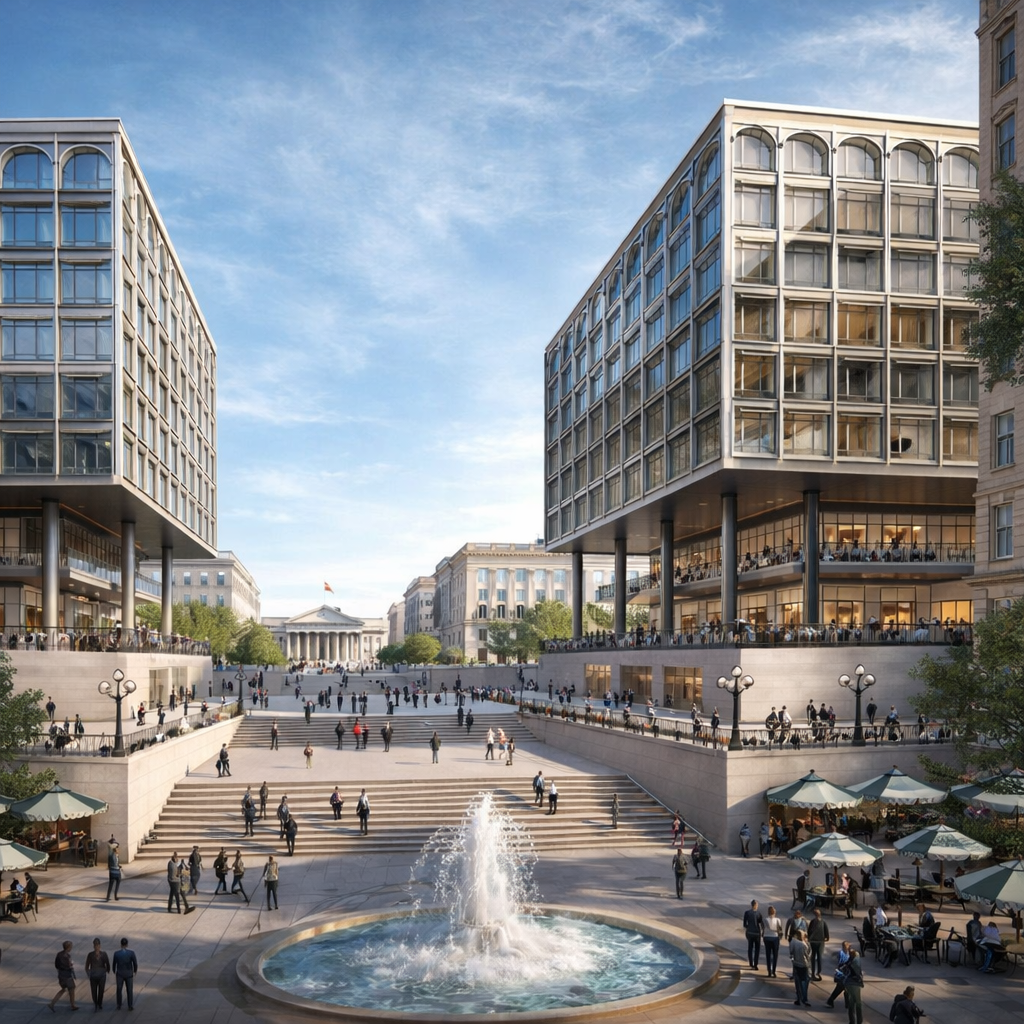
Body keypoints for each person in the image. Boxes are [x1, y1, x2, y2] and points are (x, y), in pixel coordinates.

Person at [49, 940, 79, 1012]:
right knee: (72, 989)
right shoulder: (67, 956)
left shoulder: (59, 954)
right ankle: (72, 1005)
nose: (71, 948)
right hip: (67, 976)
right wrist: (71, 966)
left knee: (63, 989)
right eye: (71, 947)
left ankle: (52, 1003)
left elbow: (56, 965)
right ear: (68, 947)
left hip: (61, 975)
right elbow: (69, 966)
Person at [111, 937, 138, 1012]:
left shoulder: (116, 954)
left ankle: (119, 1005)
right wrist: (135, 970)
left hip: (120, 974)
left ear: (121, 944)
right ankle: (130, 1005)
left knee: (119, 989)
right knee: (129, 990)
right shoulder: (131, 953)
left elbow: (114, 964)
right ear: (127, 944)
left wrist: (114, 970)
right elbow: (135, 963)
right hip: (129, 974)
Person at [825, 939, 853, 1008]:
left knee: (843, 988)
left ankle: (847, 1003)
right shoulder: (843, 953)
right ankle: (831, 1000)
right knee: (841, 988)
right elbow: (841, 963)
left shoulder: (846, 953)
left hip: (844, 973)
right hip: (843, 974)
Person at [84, 937, 110, 1011]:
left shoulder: (103, 954)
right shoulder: (90, 955)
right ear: (93, 946)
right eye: (95, 945)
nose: (97, 947)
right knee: (94, 990)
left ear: (100, 946)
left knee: (101, 990)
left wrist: (107, 970)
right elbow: (87, 965)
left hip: (102, 975)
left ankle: (100, 1003)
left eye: (98, 945)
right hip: (93, 975)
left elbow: (107, 963)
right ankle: (95, 1003)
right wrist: (89, 973)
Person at [789, 927, 812, 1006]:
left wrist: (793, 960)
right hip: (804, 965)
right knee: (804, 982)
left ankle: (798, 998)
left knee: (797, 982)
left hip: (796, 964)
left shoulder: (793, 942)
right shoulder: (804, 945)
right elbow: (807, 955)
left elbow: (791, 952)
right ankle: (804, 999)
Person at [807, 907, 830, 980]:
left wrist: (808, 938)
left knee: (813, 957)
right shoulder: (823, 922)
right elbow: (826, 931)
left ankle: (814, 972)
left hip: (814, 941)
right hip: (820, 942)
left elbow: (809, 931)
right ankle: (818, 972)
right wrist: (827, 937)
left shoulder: (813, 922)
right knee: (819, 957)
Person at [742, 899, 765, 969]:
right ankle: (755, 964)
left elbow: (744, 924)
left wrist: (748, 927)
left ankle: (751, 962)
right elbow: (761, 923)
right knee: (757, 949)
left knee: (750, 948)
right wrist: (763, 931)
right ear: (755, 905)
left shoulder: (747, 913)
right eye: (757, 905)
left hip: (749, 932)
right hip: (757, 933)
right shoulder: (758, 913)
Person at [763, 904, 784, 978]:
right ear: (774, 912)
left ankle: (769, 971)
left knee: (768, 955)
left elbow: (763, 928)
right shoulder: (778, 920)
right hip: (775, 937)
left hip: (767, 937)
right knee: (775, 955)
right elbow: (780, 929)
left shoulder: (765, 920)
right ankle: (774, 971)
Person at [844, 948, 864, 1024]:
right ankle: (859, 1021)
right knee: (858, 1003)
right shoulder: (856, 962)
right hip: (855, 984)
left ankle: (851, 1021)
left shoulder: (849, 961)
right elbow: (858, 973)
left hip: (848, 983)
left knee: (851, 1002)